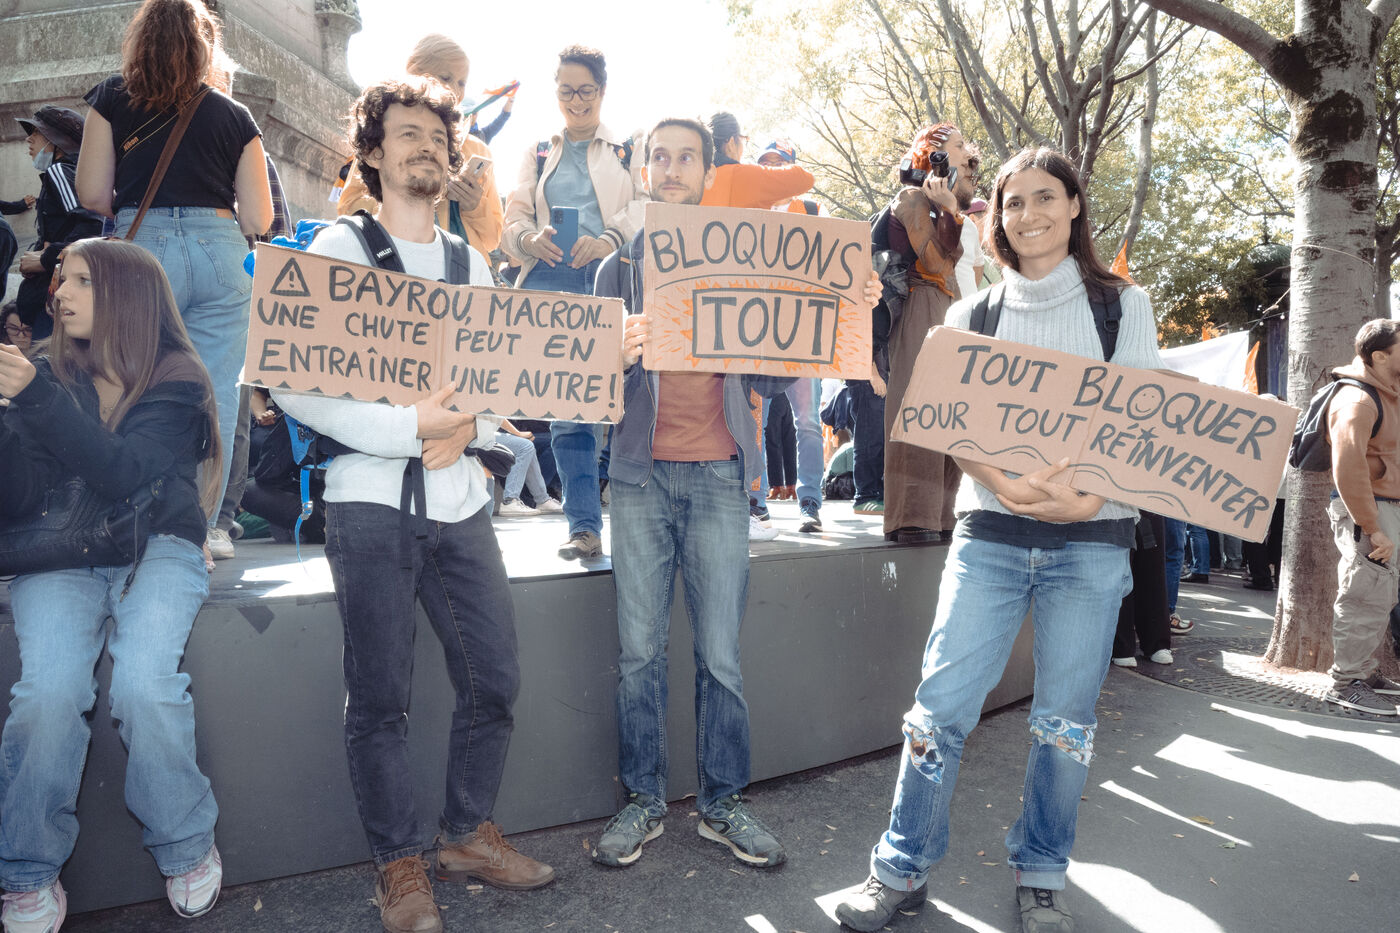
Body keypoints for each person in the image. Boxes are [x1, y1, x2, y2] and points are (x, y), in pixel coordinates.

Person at [834, 148, 1166, 933]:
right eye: (1013, 202)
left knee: (1064, 723)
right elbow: (952, 423)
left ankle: (1042, 872)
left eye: (1046, 197)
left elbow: (1139, 420)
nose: (1028, 214)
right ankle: (900, 868)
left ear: (1075, 205)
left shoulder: (1125, 306)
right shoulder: (969, 315)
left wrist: (1088, 497)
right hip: (989, 535)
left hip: (1094, 543)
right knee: (938, 710)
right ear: (998, 218)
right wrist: (1007, 486)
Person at [272, 75, 553, 933]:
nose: (426, 147)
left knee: (494, 678)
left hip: (461, 506)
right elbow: (293, 382)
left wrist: (468, 427)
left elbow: (501, 382)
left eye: (438, 136)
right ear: (372, 151)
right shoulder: (337, 250)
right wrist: (410, 427)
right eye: (406, 133)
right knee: (379, 698)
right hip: (368, 505)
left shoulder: (473, 263)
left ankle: (465, 833)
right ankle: (399, 863)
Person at [590, 117, 883, 870]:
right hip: (638, 479)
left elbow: (773, 373)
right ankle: (643, 800)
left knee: (720, 655)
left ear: (707, 169)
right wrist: (613, 357)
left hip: (722, 476)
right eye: (660, 156)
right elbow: (584, 393)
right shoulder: (617, 270)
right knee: (638, 654)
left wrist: (847, 303)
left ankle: (722, 803)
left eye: (686, 156)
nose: (672, 168)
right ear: (646, 171)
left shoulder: (746, 262)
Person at [0, 238, 225, 931]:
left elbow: (125, 472)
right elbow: (19, 498)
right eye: (60, 279)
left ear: (126, 295)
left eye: (81, 281)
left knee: (145, 684)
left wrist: (36, 399)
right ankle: (26, 870)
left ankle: (184, 842)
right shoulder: (44, 371)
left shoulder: (177, 378)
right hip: (58, 553)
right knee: (48, 692)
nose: (59, 293)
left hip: (157, 544)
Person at [76, 0, 273, 563]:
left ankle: (131, 515)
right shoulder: (234, 114)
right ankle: (201, 530)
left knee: (129, 385)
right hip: (220, 251)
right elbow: (259, 218)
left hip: (143, 250)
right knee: (216, 396)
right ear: (204, 46)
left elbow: (92, 194)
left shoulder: (110, 98)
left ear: (140, 40)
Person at [502, 45, 646, 560]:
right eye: (567, 91)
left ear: (603, 91)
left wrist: (608, 238)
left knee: (627, 401)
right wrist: (529, 240)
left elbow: (646, 205)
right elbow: (512, 219)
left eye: (586, 90)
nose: (576, 100)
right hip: (549, 280)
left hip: (611, 279)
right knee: (569, 410)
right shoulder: (539, 150)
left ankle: (640, 525)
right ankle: (584, 526)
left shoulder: (630, 148)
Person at [881, 123, 978, 544]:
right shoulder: (912, 198)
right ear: (932, 151)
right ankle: (910, 516)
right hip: (920, 305)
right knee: (916, 404)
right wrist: (948, 210)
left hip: (950, 308)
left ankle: (942, 515)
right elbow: (936, 264)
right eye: (957, 145)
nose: (965, 152)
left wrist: (950, 209)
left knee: (949, 411)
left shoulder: (945, 205)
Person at [339, 34, 504, 256]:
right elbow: (349, 207)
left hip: (465, 272)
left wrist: (474, 206)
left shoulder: (479, 151)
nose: (454, 91)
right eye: (445, 78)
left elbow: (493, 239)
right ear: (415, 76)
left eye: (462, 82)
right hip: (396, 262)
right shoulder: (384, 137)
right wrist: (412, 192)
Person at [1321, 318, 1400, 715]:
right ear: (1380, 356)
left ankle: (1363, 673)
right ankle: (1345, 682)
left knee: (1379, 593)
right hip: (1369, 510)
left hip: (1384, 507)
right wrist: (1372, 527)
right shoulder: (1357, 400)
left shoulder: (1387, 393)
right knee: (1365, 593)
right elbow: (1348, 469)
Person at [11, 106, 105, 341]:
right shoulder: (71, 171)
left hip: (57, 297)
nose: (28, 138)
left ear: (57, 141)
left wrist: (45, 258)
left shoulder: (60, 171)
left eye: (37, 132)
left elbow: (93, 226)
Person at [700, 116, 814, 209]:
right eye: (742, 139)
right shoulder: (742, 176)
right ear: (731, 143)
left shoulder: (696, 179)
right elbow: (804, 178)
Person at [496, 419, 564, 516]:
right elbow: (496, 418)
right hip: (483, 434)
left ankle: (542, 500)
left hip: (495, 432)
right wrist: (518, 433)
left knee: (528, 445)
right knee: (526, 445)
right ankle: (510, 501)